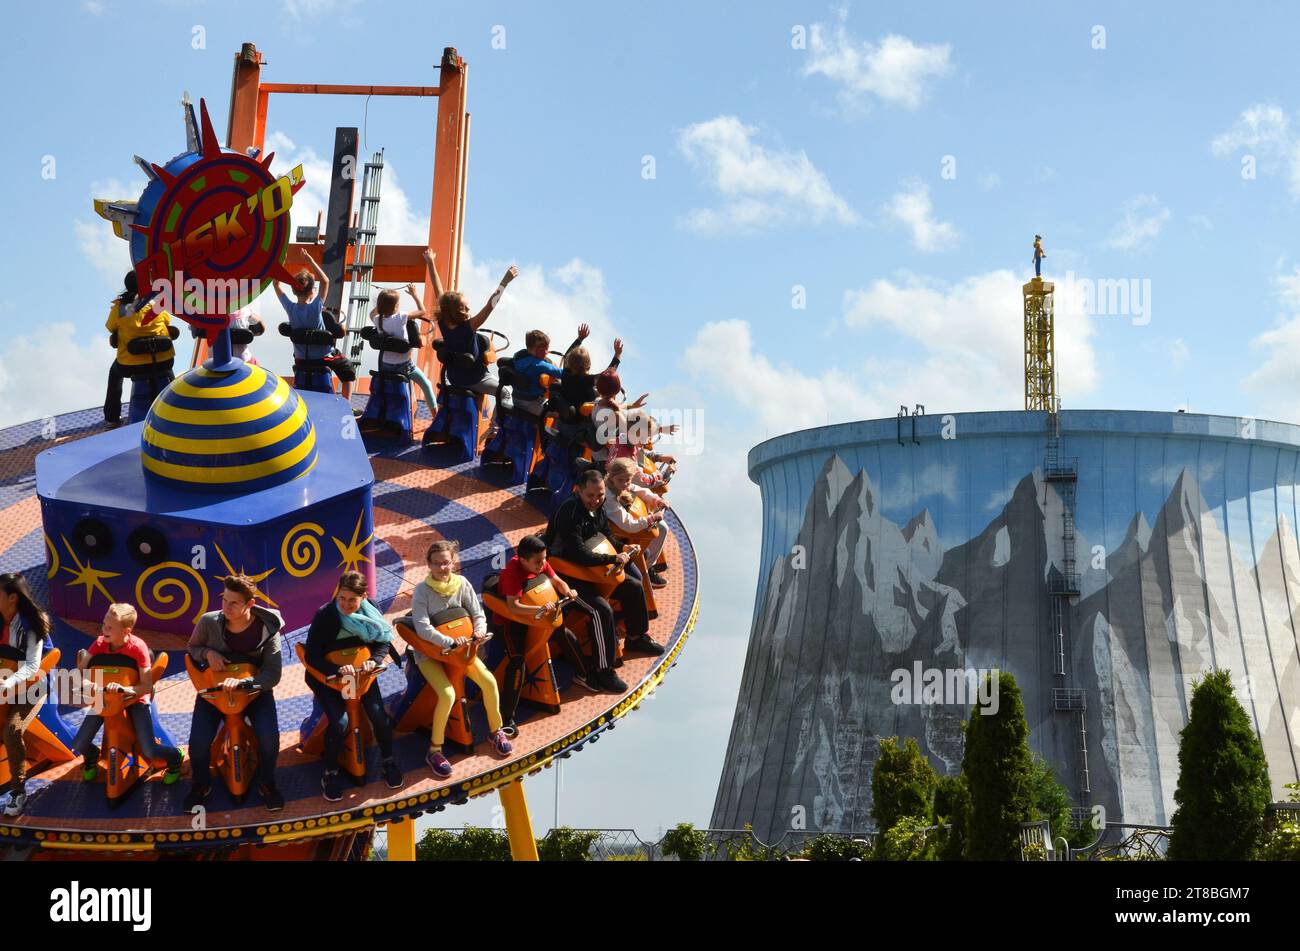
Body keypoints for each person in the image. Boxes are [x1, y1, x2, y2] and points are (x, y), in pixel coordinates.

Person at [406, 541, 511, 778]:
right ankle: (434, 750)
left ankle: (496, 731)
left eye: (446, 562)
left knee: (489, 683)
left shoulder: (462, 584)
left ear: (453, 562)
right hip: (432, 654)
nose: (442, 568)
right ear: (429, 565)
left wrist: (479, 632)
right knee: (448, 694)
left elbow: (478, 613)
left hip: (462, 650)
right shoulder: (422, 591)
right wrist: (448, 642)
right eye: (437, 563)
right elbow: (422, 627)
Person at [184, 575, 286, 812]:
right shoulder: (208, 622)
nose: (225, 608)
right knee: (198, 743)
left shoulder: (268, 631)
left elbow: (273, 675)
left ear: (250, 604)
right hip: (214, 690)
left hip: (253, 692)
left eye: (233, 603)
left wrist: (245, 683)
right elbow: (192, 648)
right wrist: (208, 653)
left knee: (269, 740)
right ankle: (200, 785)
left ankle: (266, 783)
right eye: (224, 600)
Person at [544, 469, 663, 661]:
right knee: (600, 610)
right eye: (590, 495)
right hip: (566, 572)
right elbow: (578, 554)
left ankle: (637, 637)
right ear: (578, 491)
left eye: (599, 495)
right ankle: (602, 667)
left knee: (633, 586)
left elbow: (606, 535)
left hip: (590, 568)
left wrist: (622, 547)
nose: (596, 500)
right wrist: (613, 559)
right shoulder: (570, 513)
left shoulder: (597, 507)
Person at [303, 571, 402, 801]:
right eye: (342, 598)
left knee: (379, 717)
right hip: (335, 679)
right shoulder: (326, 615)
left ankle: (388, 761)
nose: (346, 605)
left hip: (362, 675)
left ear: (364, 597)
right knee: (340, 722)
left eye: (352, 600)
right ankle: (330, 773)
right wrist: (336, 671)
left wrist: (374, 661)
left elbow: (383, 642)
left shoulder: (371, 610)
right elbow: (312, 656)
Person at [496, 533, 624, 694]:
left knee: (565, 634)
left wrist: (568, 591)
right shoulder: (511, 575)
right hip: (514, 620)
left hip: (539, 613)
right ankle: (508, 713)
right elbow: (513, 607)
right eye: (538, 562)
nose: (543, 564)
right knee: (518, 660)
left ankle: (583, 674)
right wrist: (540, 609)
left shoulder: (541, 563)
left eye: (544, 559)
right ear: (523, 560)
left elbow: (557, 581)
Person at [72, 603, 184, 785]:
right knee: (79, 743)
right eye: (103, 625)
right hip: (104, 698)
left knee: (150, 750)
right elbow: (80, 672)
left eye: (110, 628)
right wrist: (89, 685)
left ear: (126, 631)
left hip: (133, 700)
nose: (104, 630)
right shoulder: (100, 643)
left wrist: (126, 691)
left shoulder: (138, 647)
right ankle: (93, 756)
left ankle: (175, 758)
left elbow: (146, 685)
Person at [422, 247, 518, 399]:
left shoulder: (443, 321)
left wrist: (431, 262)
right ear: (457, 311)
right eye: (464, 307)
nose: (468, 308)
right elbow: (490, 305)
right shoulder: (468, 327)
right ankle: (496, 424)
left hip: (453, 377)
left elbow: (438, 290)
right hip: (474, 378)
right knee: (506, 394)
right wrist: (504, 282)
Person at [0, 573, 50, 816]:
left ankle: (18, 791)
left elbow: (32, 667)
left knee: (12, 730)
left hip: (30, 687)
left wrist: (7, 684)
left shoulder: (31, 624)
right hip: (3, 681)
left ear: (12, 598)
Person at [275, 249, 352, 397]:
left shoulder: (290, 308)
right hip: (324, 358)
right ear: (312, 291)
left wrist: (281, 262)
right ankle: (347, 403)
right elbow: (326, 281)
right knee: (348, 369)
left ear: (294, 290)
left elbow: (276, 284)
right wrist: (310, 260)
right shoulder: (316, 307)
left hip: (301, 359)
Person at [369, 285, 437, 412]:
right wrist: (414, 294)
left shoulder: (377, 320)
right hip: (404, 366)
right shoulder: (401, 317)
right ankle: (435, 415)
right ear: (396, 306)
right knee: (426, 384)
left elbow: (372, 313)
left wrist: (381, 303)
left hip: (385, 365)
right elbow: (422, 311)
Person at [603, 458, 669, 588]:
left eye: (627, 479)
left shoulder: (622, 485)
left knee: (646, 553)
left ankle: (648, 568)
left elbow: (639, 490)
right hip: (611, 538)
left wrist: (656, 500)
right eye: (620, 480)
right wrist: (650, 519)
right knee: (637, 577)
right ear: (611, 478)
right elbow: (629, 525)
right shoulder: (609, 497)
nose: (625, 483)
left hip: (621, 533)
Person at [508, 324, 590, 416]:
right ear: (532, 349)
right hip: (532, 403)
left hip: (516, 398)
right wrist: (582, 372)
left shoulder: (518, 356)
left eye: (547, 348)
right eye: (543, 349)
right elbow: (563, 373)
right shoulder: (541, 365)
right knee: (561, 413)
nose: (546, 352)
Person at [592, 368, 649, 464]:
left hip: (596, 454)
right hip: (609, 460)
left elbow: (617, 407)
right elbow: (609, 442)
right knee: (640, 458)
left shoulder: (597, 403)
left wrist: (633, 405)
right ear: (618, 389)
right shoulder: (614, 414)